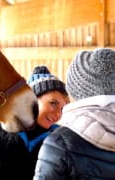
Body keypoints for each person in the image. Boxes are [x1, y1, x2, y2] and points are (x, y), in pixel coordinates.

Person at [33, 48, 115, 180]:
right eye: (53, 103)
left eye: (62, 106)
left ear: (75, 90)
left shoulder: (60, 143)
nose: (58, 113)